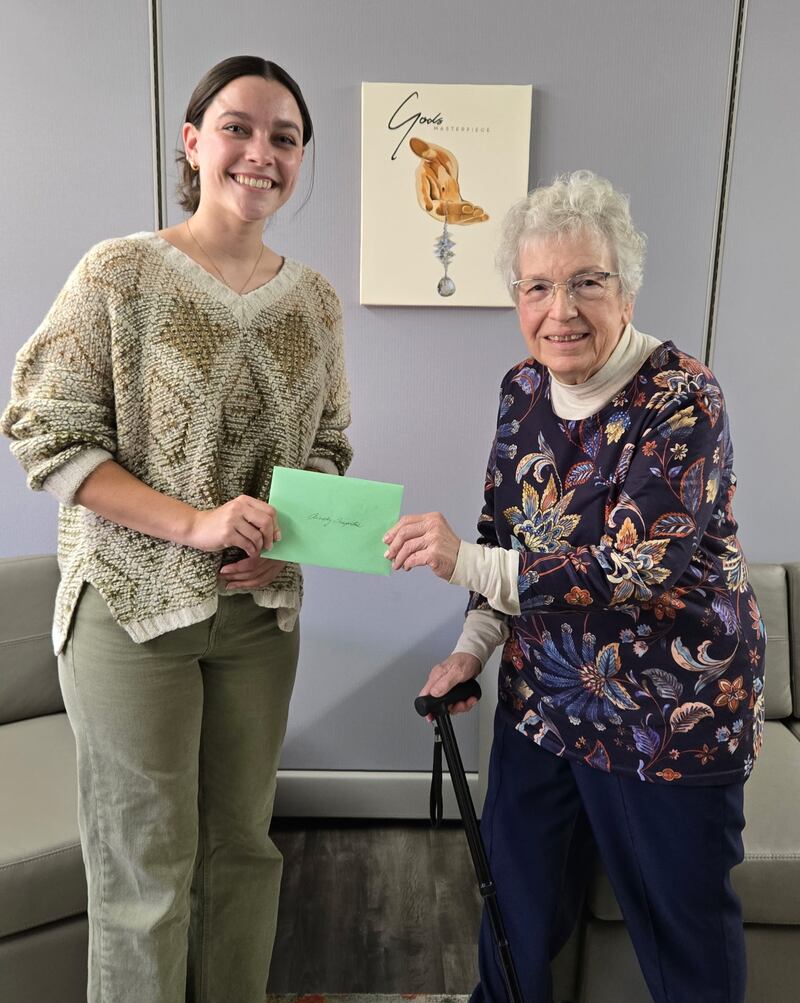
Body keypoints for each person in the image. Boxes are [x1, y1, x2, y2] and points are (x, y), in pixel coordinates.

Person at [1, 55, 352, 1003]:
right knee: (145, 872)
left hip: (255, 616)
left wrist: (290, 530)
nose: (261, 152)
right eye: (237, 127)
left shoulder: (315, 303)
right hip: (128, 610)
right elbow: (45, 430)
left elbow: (329, 445)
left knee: (242, 850)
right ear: (194, 144)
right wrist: (194, 523)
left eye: (284, 136)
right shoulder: (119, 273)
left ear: (301, 157)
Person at [385, 171, 763, 1003]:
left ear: (625, 288)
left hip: (670, 712)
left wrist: (464, 564)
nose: (562, 309)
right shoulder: (521, 390)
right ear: (517, 298)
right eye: (539, 286)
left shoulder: (683, 397)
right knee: (514, 919)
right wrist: (468, 650)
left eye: (588, 282)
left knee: (681, 933)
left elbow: (638, 568)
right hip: (545, 704)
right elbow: (501, 536)